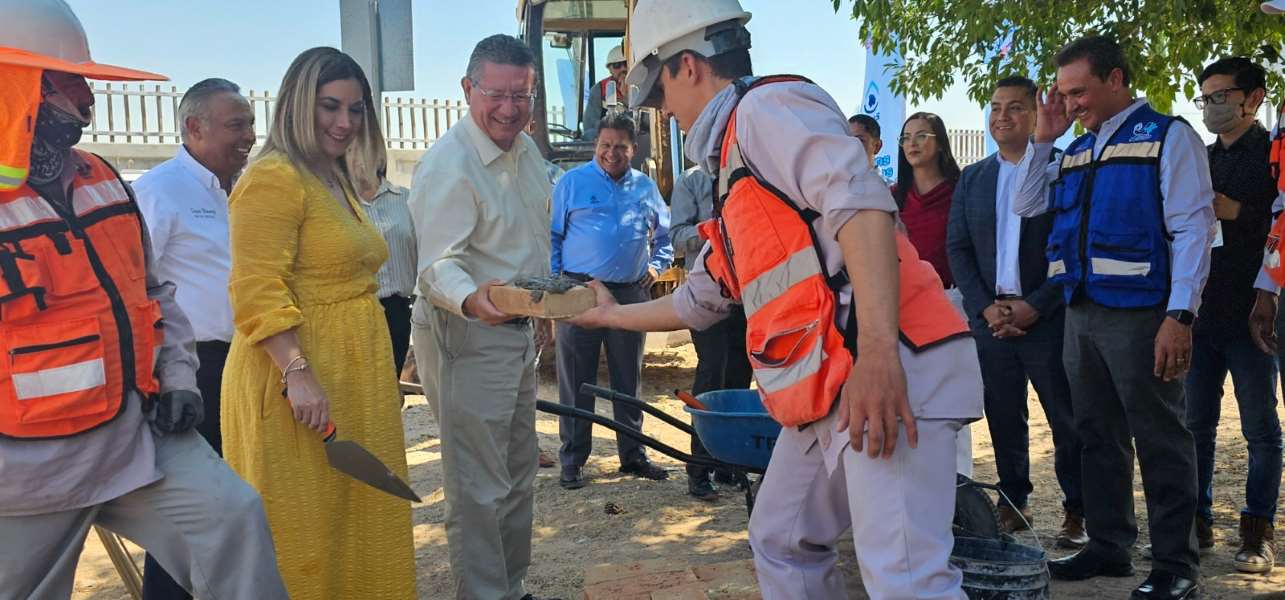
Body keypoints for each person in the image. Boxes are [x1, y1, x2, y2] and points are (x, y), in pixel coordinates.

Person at [577, 1, 985, 597]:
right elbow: (704, 296)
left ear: (688, 66)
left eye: (659, 92)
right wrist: (609, 313)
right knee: (782, 538)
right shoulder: (736, 164)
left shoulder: (767, 110)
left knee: (906, 579)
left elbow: (863, 208)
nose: (662, 112)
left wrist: (877, 357)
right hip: (833, 381)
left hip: (889, 365)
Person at [0, 2, 286, 599]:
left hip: (136, 436)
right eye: (61, 83)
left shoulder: (103, 181)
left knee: (232, 520)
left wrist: (179, 377)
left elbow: (153, 292)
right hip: (24, 475)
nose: (85, 101)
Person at [1013, 35, 1215, 599]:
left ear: (1117, 80)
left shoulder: (1169, 138)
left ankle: (1176, 565)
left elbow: (1194, 228)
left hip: (1143, 315)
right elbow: (1027, 204)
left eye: (1079, 92)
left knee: (1160, 437)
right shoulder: (1073, 149)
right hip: (1081, 314)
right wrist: (1044, 139)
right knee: (1095, 435)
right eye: (1063, 93)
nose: (1070, 103)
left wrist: (1181, 315)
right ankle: (1109, 546)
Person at [220, 47, 415, 600]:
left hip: (351, 376)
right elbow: (255, 286)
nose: (344, 122)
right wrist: (297, 371)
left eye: (355, 110)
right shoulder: (273, 178)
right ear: (297, 105)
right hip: (298, 385)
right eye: (330, 107)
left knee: (358, 521)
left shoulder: (331, 175)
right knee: (304, 530)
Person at [408, 34, 556, 600]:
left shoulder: (527, 152)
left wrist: (542, 312)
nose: (510, 108)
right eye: (496, 93)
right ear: (467, 89)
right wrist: (473, 299)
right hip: (466, 335)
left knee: (519, 474)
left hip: (517, 333)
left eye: (522, 95)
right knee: (478, 485)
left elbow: (528, 242)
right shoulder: (451, 164)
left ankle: (511, 588)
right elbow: (435, 266)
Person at [945, 75, 1086, 548]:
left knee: (1066, 417)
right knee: (1003, 415)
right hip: (991, 322)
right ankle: (1013, 499)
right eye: (995, 107)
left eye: (1016, 108)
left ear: (1037, 114)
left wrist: (1035, 306)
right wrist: (986, 308)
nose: (1002, 117)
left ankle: (1077, 509)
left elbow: (1074, 249)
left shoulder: (1063, 169)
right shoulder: (974, 177)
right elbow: (958, 249)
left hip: (1048, 319)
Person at [132, 77, 256, 599]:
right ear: (193, 127)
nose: (249, 136)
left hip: (245, 364)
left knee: (236, 502)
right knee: (191, 512)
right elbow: (138, 287)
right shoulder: (159, 192)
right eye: (236, 125)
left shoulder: (245, 192)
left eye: (250, 123)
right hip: (193, 371)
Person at [1187, 56, 1280, 574]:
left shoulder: (1273, 156)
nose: (1212, 106)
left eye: (1221, 96)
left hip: (1253, 314)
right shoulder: (1198, 158)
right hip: (1201, 315)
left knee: (1261, 428)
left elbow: (1279, 226)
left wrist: (1238, 211)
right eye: (1205, 98)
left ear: (1254, 98)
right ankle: (1196, 524)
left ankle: (1258, 532)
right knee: (1194, 424)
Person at [551, 113, 673, 490]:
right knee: (576, 378)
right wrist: (560, 288)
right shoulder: (571, 183)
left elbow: (664, 237)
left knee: (627, 378)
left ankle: (633, 456)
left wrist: (654, 269)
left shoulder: (645, 187)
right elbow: (553, 238)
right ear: (596, 146)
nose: (611, 153)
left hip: (629, 296)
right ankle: (572, 460)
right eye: (605, 145)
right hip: (580, 293)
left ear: (633, 149)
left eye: (620, 147)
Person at [669, 164, 751, 501]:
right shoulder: (692, 181)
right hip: (706, 294)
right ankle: (698, 469)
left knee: (738, 378)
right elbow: (676, 235)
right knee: (711, 376)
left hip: (747, 293)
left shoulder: (750, 171)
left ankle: (729, 464)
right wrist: (716, 232)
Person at [356, 162, 418, 379]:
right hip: (356, 311)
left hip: (397, 311)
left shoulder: (406, 199)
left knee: (388, 389)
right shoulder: (337, 203)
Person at [892, 112, 961, 292]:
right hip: (904, 295)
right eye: (905, 138)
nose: (912, 143)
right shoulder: (892, 196)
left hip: (952, 296)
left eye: (921, 136)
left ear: (940, 143)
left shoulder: (961, 190)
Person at [583, 45, 628, 142]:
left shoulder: (643, 85)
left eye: (626, 63)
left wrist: (627, 97)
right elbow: (589, 124)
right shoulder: (599, 89)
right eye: (617, 65)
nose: (623, 69)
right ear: (609, 69)